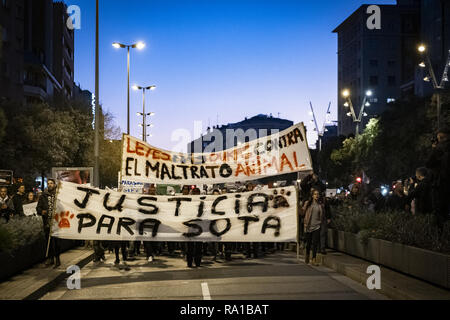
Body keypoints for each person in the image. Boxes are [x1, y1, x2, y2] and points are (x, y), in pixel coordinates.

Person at [426, 126, 450, 228]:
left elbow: (429, 163)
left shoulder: (441, 149)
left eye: (439, 138)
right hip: (442, 185)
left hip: (441, 186)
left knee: (440, 214)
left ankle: (440, 239)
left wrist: (435, 149)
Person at [36, 179, 61, 268]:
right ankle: (50, 259)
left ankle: (57, 259)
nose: (49, 185)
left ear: (54, 185)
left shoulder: (58, 195)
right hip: (47, 222)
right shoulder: (43, 196)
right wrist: (41, 211)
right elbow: (38, 208)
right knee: (48, 242)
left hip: (57, 223)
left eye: (51, 183)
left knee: (56, 242)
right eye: (48, 183)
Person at [301, 189, 324, 266]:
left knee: (315, 243)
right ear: (312, 195)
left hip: (317, 226)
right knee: (308, 244)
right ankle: (307, 255)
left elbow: (321, 216)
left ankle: (313, 259)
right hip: (308, 226)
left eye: (318, 194)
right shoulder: (308, 203)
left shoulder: (320, 205)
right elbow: (302, 212)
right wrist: (298, 207)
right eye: (315, 194)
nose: (317, 195)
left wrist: (321, 223)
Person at [186, 187, 203, 268]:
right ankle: (189, 262)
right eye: (194, 192)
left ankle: (198, 262)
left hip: (200, 227)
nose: (196, 194)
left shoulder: (202, 202)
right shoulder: (189, 202)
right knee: (190, 246)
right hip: (191, 226)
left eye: (197, 192)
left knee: (199, 246)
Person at [143, 184, 158, 262]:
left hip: (155, 224)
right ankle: (149, 254)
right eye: (151, 191)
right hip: (146, 223)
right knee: (147, 240)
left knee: (154, 240)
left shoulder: (159, 199)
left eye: (153, 191)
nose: (152, 192)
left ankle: (152, 253)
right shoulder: (144, 200)